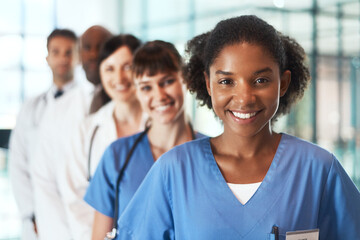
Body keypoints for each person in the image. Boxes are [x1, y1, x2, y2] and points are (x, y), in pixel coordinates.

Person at [116, 15, 360, 240]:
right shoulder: (174, 171)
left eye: (261, 80)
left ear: (283, 83)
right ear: (209, 85)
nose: (244, 98)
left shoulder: (318, 169)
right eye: (226, 81)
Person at [84, 40, 206, 240]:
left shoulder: (213, 155)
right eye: (146, 87)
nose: (159, 95)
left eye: (167, 81)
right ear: (137, 93)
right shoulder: (117, 156)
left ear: (185, 79)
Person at [61, 34, 146, 240]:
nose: (119, 78)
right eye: (109, 68)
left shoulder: (163, 126)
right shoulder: (87, 131)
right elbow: (76, 202)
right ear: (100, 72)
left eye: (127, 67)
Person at [8, 28, 89, 240]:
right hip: (37, 213)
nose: (63, 58)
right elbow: (18, 163)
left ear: (78, 57)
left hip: (76, 212)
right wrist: (31, 213)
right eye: (56, 52)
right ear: (47, 58)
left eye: (69, 52)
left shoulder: (88, 104)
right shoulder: (31, 108)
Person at [79, 25, 113, 114]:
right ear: (79, 53)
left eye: (100, 47)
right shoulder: (68, 100)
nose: (93, 55)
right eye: (87, 48)